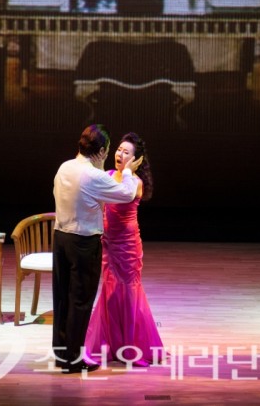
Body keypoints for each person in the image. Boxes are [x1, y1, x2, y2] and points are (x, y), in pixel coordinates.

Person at [52, 124, 143, 374]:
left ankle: (62, 354)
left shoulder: (64, 167)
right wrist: (127, 171)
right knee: (80, 300)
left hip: (60, 238)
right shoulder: (93, 175)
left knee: (62, 298)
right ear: (101, 151)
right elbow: (126, 194)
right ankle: (73, 359)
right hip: (83, 242)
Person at [85, 132, 164, 367]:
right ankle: (110, 342)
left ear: (136, 159)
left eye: (126, 152)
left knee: (128, 291)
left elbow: (123, 195)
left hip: (127, 245)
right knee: (110, 290)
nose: (119, 154)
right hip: (108, 244)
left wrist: (128, 171)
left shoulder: (135, 183)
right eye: (119, 150)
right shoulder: (109, 175)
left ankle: (130, 346)